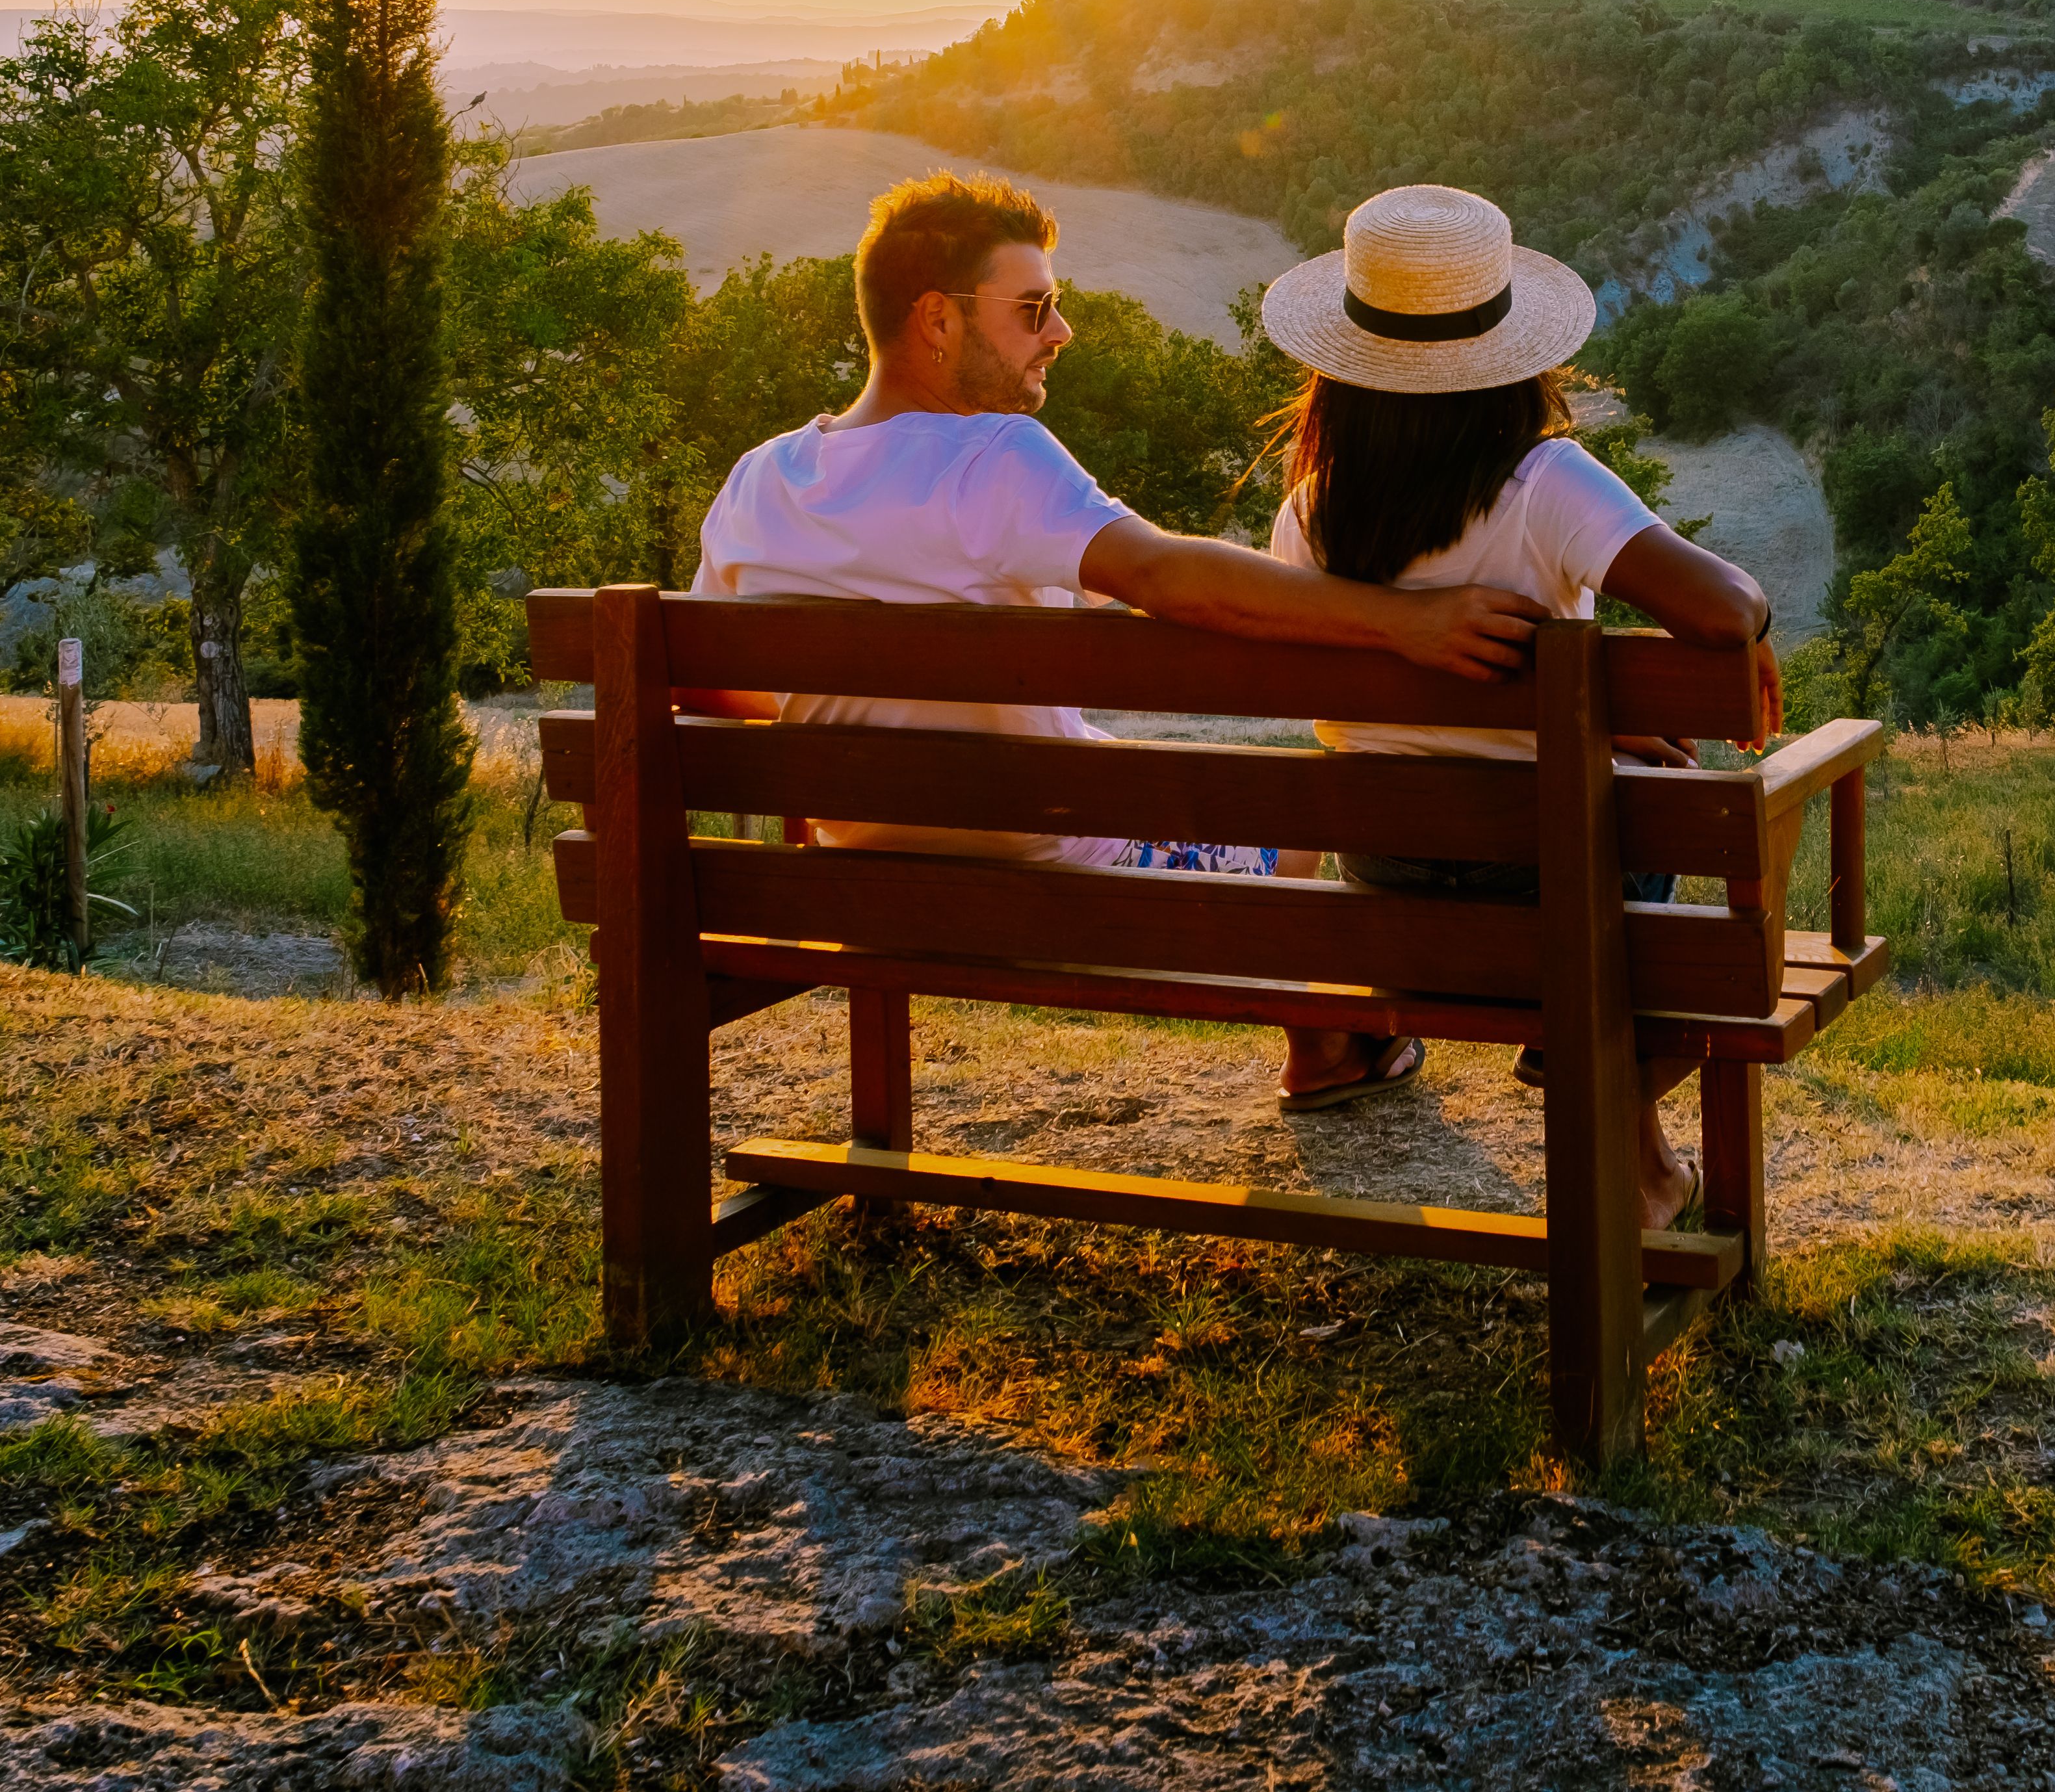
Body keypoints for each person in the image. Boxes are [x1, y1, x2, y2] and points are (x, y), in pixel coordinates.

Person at [681, 170, 1544, 861]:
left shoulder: (762, 478)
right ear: (937, 319)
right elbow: (1164, 576)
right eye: (1032, 309)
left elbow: (712, 685)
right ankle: (1326, 1053)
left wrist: (861, 728)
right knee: (1295, 824)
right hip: (1049, 850)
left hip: (859, 859)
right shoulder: (993, 457)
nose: (1061, 332)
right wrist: (1405, 620)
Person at [1252, 183, 1773, 1234]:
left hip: (1387, 887)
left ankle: (1354, 1048)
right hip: (1559, 898)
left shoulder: (1308, 514)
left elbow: (1331, 701)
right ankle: (1642, 1166)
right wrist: (1730, 644)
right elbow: (1725, 607)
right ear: (1511, 357)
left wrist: (1562, 706)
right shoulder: (1546, 484)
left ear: (1345, 364)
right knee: (1668, 811)